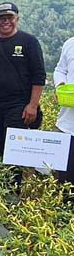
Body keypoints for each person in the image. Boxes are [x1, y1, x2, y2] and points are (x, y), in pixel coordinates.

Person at [0, 2, 46, 157]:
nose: (5, 21)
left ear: (17, 19)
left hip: (19, 105)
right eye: (1, 18)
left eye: (9, 17)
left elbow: (38, 76)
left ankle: (15, 182)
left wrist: (32, 106)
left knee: (15, 150)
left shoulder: (29, 42)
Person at [52, 36, 74, 185]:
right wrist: (60, 84)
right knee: (66, 180)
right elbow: (60, 69)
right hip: (68, 125)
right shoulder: (70, 43)